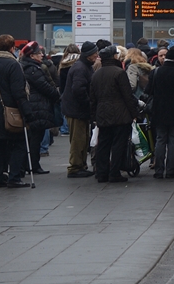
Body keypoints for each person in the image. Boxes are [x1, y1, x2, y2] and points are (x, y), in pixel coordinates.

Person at [0, 35, 30, 188]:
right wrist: (26, 111)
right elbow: (18, 92)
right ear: (12, 48)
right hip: (10, 111)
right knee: (18, 143)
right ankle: (14, 177)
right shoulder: (13, 65)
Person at [89, 45, 140, 183]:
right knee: (118, 144)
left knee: (104, 144)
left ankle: (101, 173)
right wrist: (134, 113)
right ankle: (114, 173)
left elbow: (92, 98)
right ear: (113, 57)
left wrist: (94, 116)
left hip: (102, 113)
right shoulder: (119, 72)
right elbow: (127, 95)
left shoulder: (96, 74)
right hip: (120, 114)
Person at [19, 41, 59, 175]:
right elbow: (44, 86)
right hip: (37, 107)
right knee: (35, 138)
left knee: (34, 138)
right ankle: (33, 165)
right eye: (38, 53)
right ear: (31, 56)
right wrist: (56, 95)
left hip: (35, 106)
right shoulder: (32, 69)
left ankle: (28, 164)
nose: (42, 55)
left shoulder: (27, 67)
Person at [149, 47, 174, 178]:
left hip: (158, 112)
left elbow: (149, 91)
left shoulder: (156, 72)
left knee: (160, 140)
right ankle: (171, 169)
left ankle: (158, 170)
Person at [61, 41, 98, 178]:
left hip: (78, 110)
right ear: (89, 55)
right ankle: (75, 167)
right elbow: (78, 90)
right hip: (76, 110)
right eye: (95, 53)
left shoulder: (84, 66)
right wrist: (88, 104)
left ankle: (80, 165)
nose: (96, 55)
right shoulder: (81, 68)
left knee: (82, 139)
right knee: (78, 140)